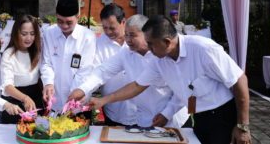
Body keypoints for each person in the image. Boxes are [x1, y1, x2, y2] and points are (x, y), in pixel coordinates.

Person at [90, 15, 251, 144]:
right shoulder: (159, 59)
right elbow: (137, 86)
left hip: (223, 115)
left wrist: (242, 126)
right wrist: (104, 100)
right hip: (199, 116)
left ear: (167, 42)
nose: (149, 50)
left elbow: (239, 80)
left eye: (151, 44)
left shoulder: (204, 49)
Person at [69, 15, 188, 128]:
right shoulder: (126, 52)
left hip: (174, 118)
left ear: (146, 34)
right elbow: (103, 71)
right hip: (146, 120)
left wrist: (167, 113)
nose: (128, 40)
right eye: (126, 35)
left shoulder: (162, 54)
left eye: (132, 35)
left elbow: (182, 89)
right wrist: (83, 89)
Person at [40, 0, 96, 111]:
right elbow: (46, 63)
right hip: (55, 99)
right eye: (60, 21)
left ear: (78, 17)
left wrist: (74, 94)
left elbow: (85, 70)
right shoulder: (48, 33)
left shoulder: (87, 36)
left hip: (78, 101)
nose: (64, 26)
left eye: (69, 22)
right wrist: (48, 83)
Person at [86, 3, 133, 126]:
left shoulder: (137, 40)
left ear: (123, 22)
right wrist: (83, 91)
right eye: (105, 28)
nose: (108, 32)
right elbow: (96, 73)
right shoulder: (99, 43)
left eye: (112, 28)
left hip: (142, 110)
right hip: (113, 110)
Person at [0, 15, 44, 123]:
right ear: (16, 33)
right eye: (24, 34)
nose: (29, 38)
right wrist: (25, 98)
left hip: (36, 100)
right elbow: (7, 86)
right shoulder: (8, 54)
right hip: (16, 102)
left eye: (32, 34)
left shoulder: (38, 52)